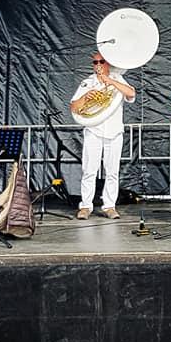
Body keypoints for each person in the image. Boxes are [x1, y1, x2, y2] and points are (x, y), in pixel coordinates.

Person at [69, 53, 136, 220]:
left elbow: (131, 94)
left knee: (112, 171)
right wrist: (86, 97)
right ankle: (85, 206)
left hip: (114, 132)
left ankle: (109, 206)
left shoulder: (118, 78)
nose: (98, 64)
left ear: (108, 63)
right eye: (95, 62)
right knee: (89, 171)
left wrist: (111, 81)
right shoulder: (88, 82)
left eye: (101, 61)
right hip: (93, 131)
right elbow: (74, 107)